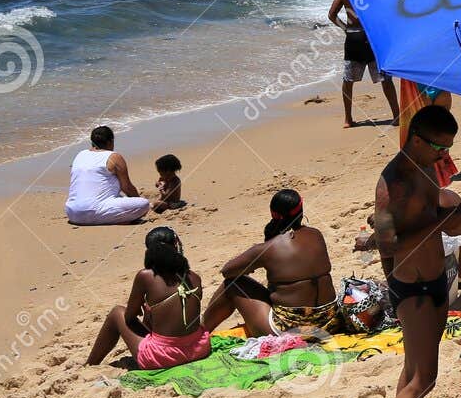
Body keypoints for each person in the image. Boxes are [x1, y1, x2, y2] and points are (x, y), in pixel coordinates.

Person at [372, 105, 461, 398]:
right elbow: (386, 243)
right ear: (416, 139)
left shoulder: (428, 169)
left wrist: (455, 216)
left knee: (413, 374)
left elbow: (429, 219)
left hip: (435, 281)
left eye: (448, 148)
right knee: (425, 379)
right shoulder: (391, 184)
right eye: (440, 147)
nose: (445, 155)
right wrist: (442, 222)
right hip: (412, 287)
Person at [202, 189, 347, 336]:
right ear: (301, 211)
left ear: (273, 215)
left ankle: (200, 333)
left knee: (232, 285)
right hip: (329, 322)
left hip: (291, 329)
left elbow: (227, 271)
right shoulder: (316, 235)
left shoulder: (269, 248)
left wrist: (263, 248)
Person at [88, 226, 210, 369]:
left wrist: (147, 309)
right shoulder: (194, 277)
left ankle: (90, 364)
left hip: (165, 357)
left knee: (117, 313)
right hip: (199, 348)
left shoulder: (146, 276)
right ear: (176, 246)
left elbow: (129, 317)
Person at [329, 0, 401, 129]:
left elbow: (332, 15)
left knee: (348, 81)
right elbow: (386, 10)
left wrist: (346, 28)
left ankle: (348, 119)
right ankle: (397, 116)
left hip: (353, 37)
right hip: (372, 37)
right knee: (385, 79)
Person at [65, 125, 149, 226]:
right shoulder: (114, 157)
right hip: (93, 212)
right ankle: (120, 219)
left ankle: (116, 218)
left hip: (72, 212)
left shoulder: (80, 154)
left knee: (115, 198)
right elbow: (127, 188)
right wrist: (138, 201)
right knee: (144, 204)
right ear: (110, 142)